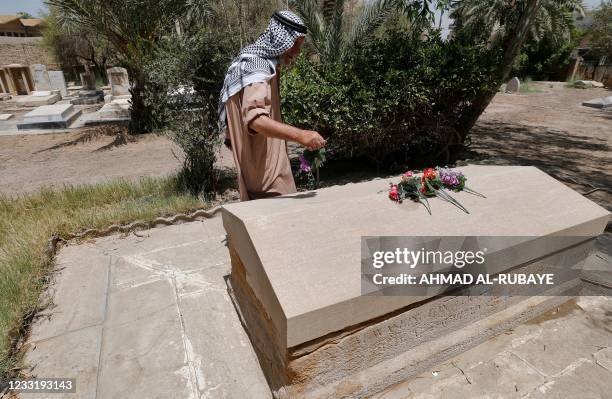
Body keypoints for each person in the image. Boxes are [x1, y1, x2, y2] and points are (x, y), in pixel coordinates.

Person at [218, 10, 326, 201]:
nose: (296, 52)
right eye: (294, 45)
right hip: (269, 177)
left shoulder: (244, 63)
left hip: (253, 168)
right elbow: (255, 119)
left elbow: (229, 119)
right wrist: (301, 135)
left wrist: (233, 138)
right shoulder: (258, 67)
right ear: (280, 39)